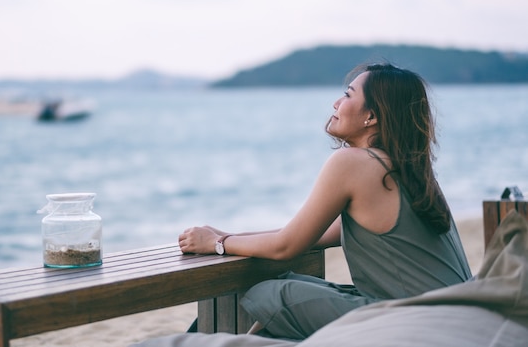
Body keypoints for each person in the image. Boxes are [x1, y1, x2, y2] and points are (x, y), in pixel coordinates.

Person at [178, 63, 472, 340]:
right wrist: (225, 236)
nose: (336, 103)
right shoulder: (408, 168)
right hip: (458, 322)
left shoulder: (354, 162)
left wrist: (217, 245)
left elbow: (286, 246)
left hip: (414, 326)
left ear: (372, 117)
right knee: (291, 285)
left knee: (264, 293)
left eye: (347, 95)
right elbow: (310, 235)